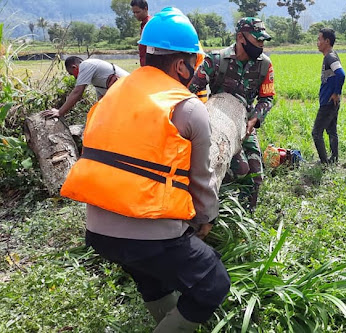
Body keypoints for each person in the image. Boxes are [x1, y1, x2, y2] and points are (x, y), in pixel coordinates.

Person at [59, 7, 229, 331]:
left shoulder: (111, 95)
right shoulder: (188, 107)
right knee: (213, 282)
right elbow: (202, 181)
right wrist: (205, 219)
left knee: (152, 277)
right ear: (181, 65)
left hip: (97, 230)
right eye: (195, 64)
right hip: (150, 234)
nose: (195, 72)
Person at [188, 17, 274, 212]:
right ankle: (214, 209)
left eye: (263, 42)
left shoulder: (264, 65)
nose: (261, 46)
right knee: (234, 169)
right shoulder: (216, 61)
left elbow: (266, 98)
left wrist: (254, 120)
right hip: (218, 123)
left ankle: (244, 216)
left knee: (255, 175)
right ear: (240, 38)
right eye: (257, 40)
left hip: (245, 123)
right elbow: (190, 90)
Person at [41, 57, 129, 118]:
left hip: (132, 91)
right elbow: (102, 101)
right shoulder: (96, 80)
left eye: (72, 74)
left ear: (74, 67)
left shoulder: (86, 65)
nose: (75, 78)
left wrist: (60, 112)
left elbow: (78, 91)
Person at [312, 28, 345, 164]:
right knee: (331, 130)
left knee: (316, 133)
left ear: (327, 41)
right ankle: (334, 159)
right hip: (330, 101)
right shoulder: (330, 56)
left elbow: (341, 74)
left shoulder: (330, 57)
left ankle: (324, 162)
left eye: (319, 39)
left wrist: (336, 93)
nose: (317, 42)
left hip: (328, 102)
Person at [131, 0, 150, 66]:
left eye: (138, 12)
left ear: (145, 9)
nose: (136, 15)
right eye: (134, 13)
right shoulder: (143, 24)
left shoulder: (149, 24)